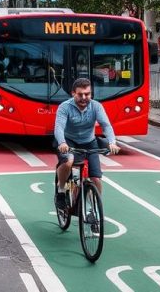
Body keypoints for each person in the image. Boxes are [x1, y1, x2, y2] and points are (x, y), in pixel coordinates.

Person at [53, 78, 121, 218]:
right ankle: (61, 191)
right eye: (80, 94)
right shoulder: (65, 107)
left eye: (88, 94)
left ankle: (94, 211)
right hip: (69, 141)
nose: (84, 98)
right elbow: (59, 127)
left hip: (89, 142)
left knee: (95, 178)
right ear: (73, 93)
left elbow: (106, 125)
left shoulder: (96, 106)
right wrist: (62, 143)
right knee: (68, 161)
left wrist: (112, 142)